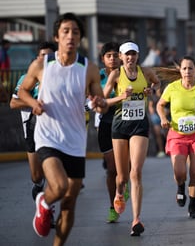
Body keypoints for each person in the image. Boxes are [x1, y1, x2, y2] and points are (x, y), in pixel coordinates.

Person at [18, 12, 108, 245]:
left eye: (75, 32)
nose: (70, 36)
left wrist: (100, 104)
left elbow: (100, 103)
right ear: (57, 36)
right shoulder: (42, 65)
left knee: (69, 204)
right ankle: (44, 203)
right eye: (65, 31)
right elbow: (22, 91)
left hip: (75, 141)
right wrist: (33, 103)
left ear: (80, 38)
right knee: (58, 186)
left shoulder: (88, 68)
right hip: (48, 137)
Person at [103, 40, 160, 236]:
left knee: (136, 172)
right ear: (121, 56)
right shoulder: (116, 75)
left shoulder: (146, 72)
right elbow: (103, 101)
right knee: (122, 177)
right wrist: (121, 97)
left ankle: (136, 219)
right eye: (127, 54)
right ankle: (119, 192)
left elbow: (157, 84)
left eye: (133, 54)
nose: (130, 57)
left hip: (139, 126)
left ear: (138, 55)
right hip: (119, 127)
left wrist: (151, 91)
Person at [156, 56, 195, 219]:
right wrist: (163, 118)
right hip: (177, 135)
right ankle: (181, 187)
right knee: (179, 172)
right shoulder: (172, 88)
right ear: (180, 71)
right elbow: (160, 104)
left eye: (190, 68)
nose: (187, 71)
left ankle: (193, 205)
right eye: (184, 68)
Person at [9, 41, 56, 202]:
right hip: (31, 127)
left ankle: (47, 211)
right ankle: (38, 185)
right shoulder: (26, 78)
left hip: (53, 129)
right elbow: (13, 103)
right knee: (36, 175)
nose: (46, 59)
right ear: (37, 57)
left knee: (53, 172)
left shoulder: (59, 77)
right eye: (43, 55)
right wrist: (34, 103)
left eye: (49, 56)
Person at [95, 42, 127, 223]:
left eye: (116, 55)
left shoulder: (130, 73)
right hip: (106, 124)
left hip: (127, 123)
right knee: (112, 170)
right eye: (109, 56)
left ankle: (124, 186)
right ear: (103, 59)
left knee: (127, 168)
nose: (113, 59)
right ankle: (112, 205)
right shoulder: (96, 76)